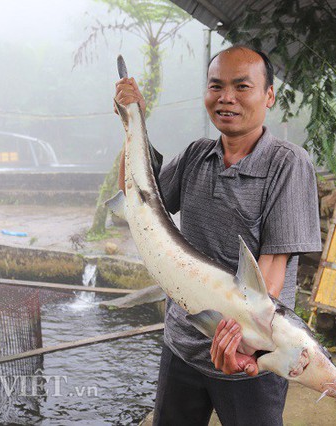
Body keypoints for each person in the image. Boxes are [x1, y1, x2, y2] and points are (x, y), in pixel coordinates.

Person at [114, 45, 321, 426]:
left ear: (268, 96)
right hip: (184, 343)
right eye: (216, 86)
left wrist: (245, 343)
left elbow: (272, 271)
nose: (226, 97)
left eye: (242, 86)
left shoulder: (288, 164)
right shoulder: (195, 155)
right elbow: (137, 195)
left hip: (249, 357)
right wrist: (132, 122)